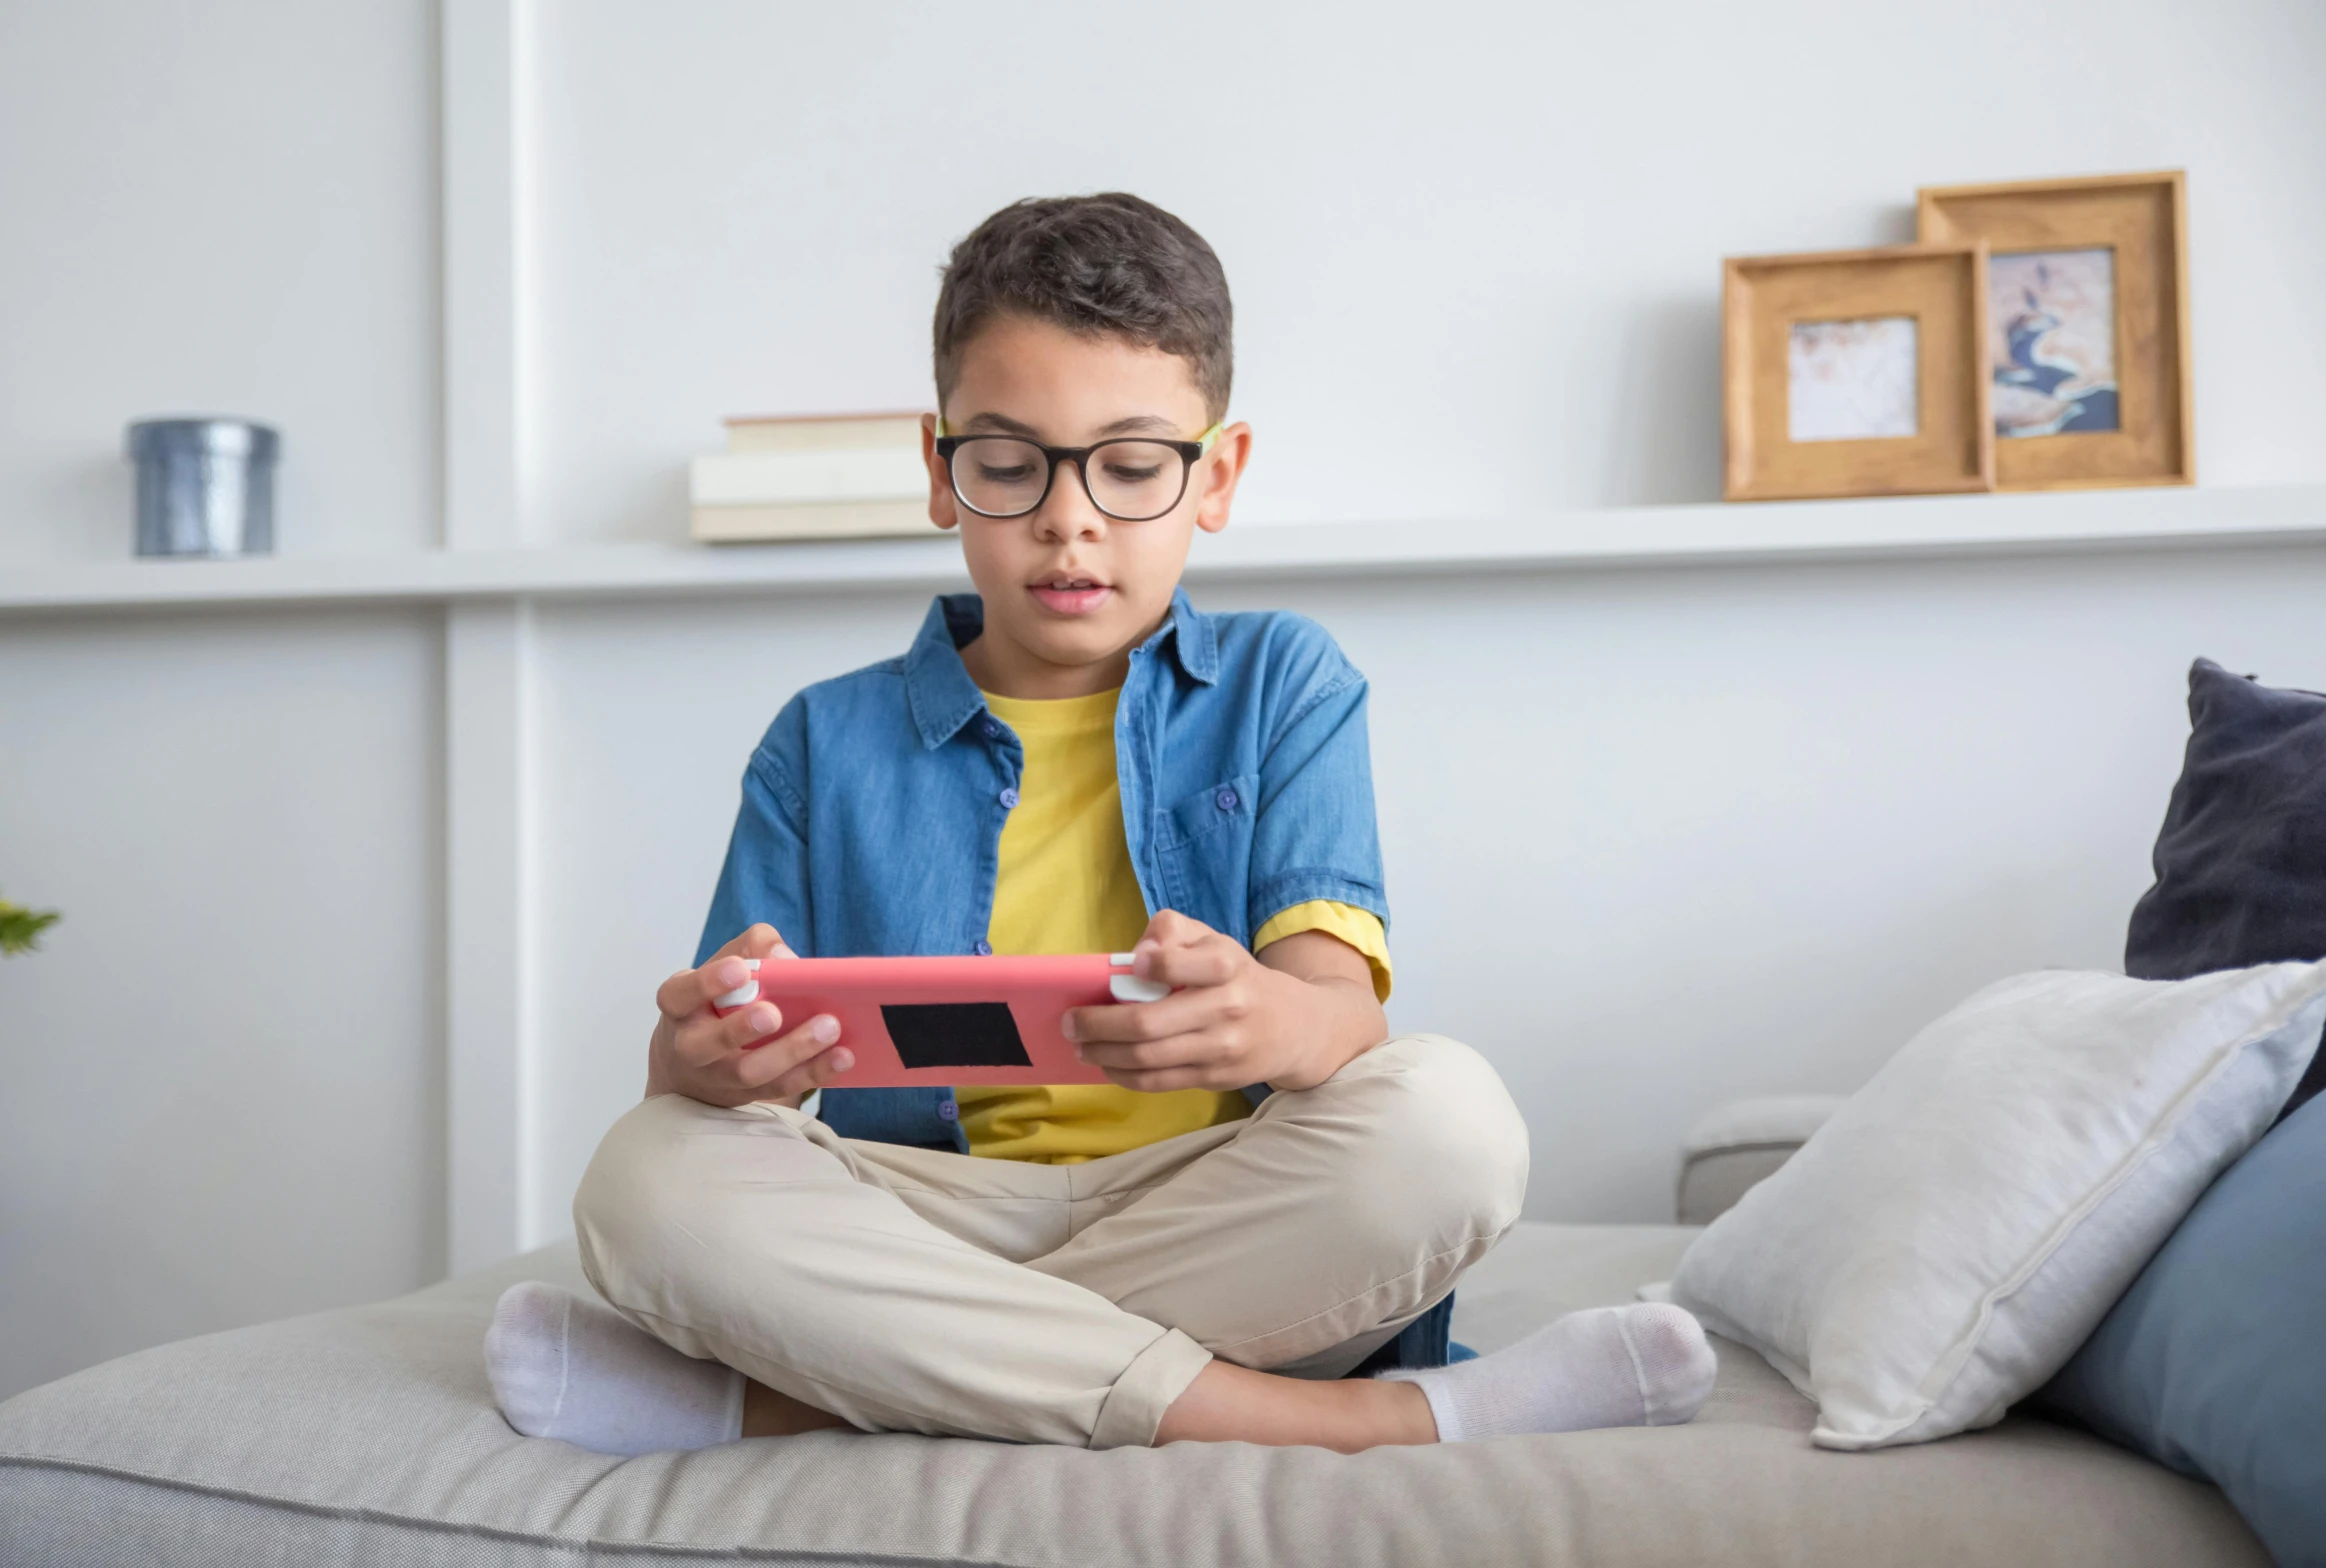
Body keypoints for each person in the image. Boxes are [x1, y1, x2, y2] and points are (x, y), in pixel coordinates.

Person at [484, 193, 1715, 1455]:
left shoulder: (1283, 682)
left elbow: (1344, 1018)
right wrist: (702, 1059)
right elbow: (713, 1082)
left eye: (1130, 466)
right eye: (1010, 464)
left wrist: (1259, 1012)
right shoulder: (821, 740)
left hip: (1207, 1201)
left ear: (1215, 475)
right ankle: (1361, 1417)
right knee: (648, 1175)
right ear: (938, 470)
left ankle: (805, 1394)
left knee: (1449, 1118)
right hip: (923, 1210)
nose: (1068, 518)